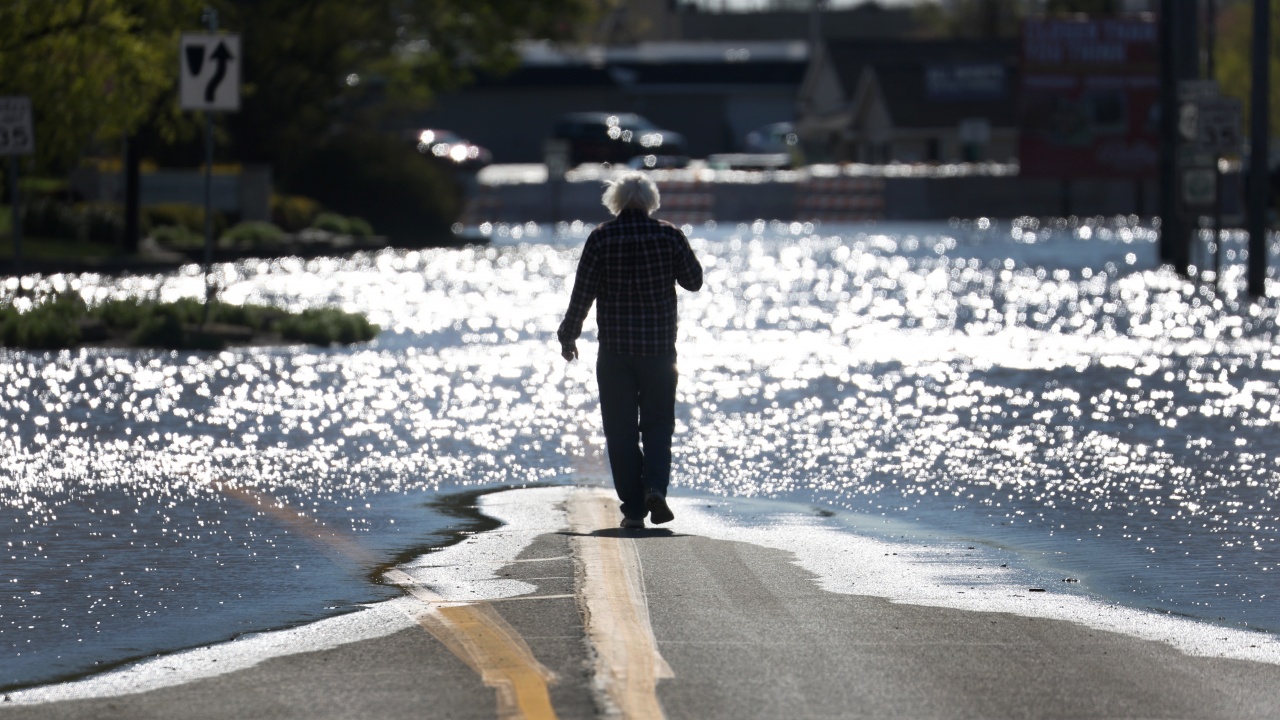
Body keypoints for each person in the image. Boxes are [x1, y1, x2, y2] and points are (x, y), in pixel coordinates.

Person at [558, 171, 703, 529]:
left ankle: (634, 509)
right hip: (658, 352)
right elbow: (694, 282)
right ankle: (655, 487)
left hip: (615, 353)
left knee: (620, 431)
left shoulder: (601, 238)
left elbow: (583, 293)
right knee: (658, 426)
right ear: (650, 201)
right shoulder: (669, 235)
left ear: (617, 201)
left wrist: (569, 334)